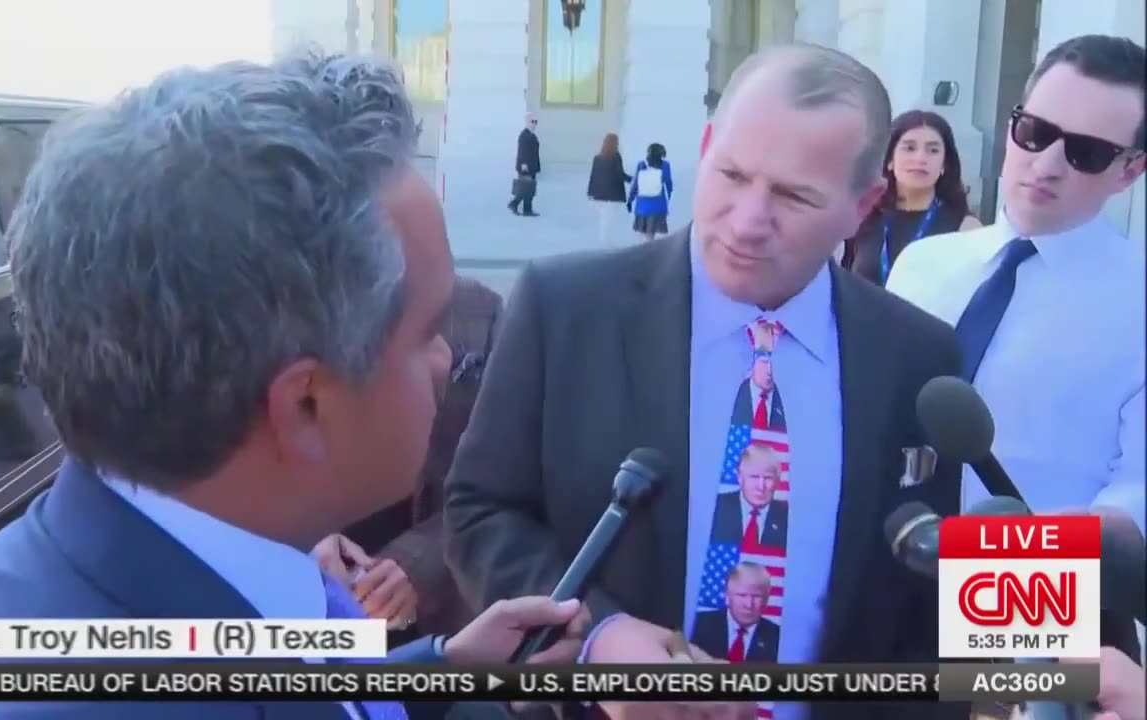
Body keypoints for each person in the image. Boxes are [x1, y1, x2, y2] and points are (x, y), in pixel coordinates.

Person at [0, 54, 585, 720]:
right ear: (305, 405)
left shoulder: (129, 550)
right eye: (428, 333)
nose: (445, 360)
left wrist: (446, 668)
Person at [446, 42, 966, 720]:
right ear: (705, 145)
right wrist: (598, 636)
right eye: (732, 174)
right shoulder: (565, 308)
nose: (747, 222)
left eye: (794, 196)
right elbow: (481, 511)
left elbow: (927, 599)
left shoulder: (917, 355)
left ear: (862, 205)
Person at [887, 34, 1146, 535]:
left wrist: (1016, 559)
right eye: (1034, 132)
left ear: (1129, 170)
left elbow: (1137, 498)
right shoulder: (921, 265)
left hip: (1034, 575)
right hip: (887, 551)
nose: (1046, 165)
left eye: (1087, 152)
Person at [315, 276, 504, 640]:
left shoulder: (480, 313)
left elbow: (511, 482)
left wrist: (417, 564)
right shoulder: (278, 305)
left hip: (441, 618)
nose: (440, 363)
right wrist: (303, 541)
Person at [843, 110, 982, 283]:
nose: (920, 158)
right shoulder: (863, 218)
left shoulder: (966, 229)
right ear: (890, 160)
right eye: (909, 148)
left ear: (944, 164)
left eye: (933, 150)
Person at [692, 563, 779, 663]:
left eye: (756, 596)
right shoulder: (698, 624)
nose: (749, 604)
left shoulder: (777, 637)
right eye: (742, 595)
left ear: (766, 600)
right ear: (727, 596)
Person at [588, 133, 632, 247]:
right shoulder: (615, 156)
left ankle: (603, 241)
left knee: (603, 219)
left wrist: (590, 193)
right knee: (607, 220)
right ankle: (604, 243)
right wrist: (632, 179)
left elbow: (593, 176)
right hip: (612, 195)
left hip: (598, 195)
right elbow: (620, 174)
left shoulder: (597, 158)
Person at [628, 143, 673, 241]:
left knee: (645, 236)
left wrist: (630, 200)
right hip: (658, 205)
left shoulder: (641, 165)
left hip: (642, 206)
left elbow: (635, 185)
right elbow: (668, 183)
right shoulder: (665, 165)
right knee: (656, 235)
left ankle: (646, 248)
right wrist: (669, 195)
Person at [509, 113, 541, 216]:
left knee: (528, 188)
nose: (534, 124)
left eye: (536, 122)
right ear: (527, 122)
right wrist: (523, 164)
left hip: (532, 166)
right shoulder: (524, 135)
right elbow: (522, 151)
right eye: (532, 121)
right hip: (526, 167)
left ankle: (518, 206)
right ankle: (522, 208)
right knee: (526, 188)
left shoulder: (532, 135)